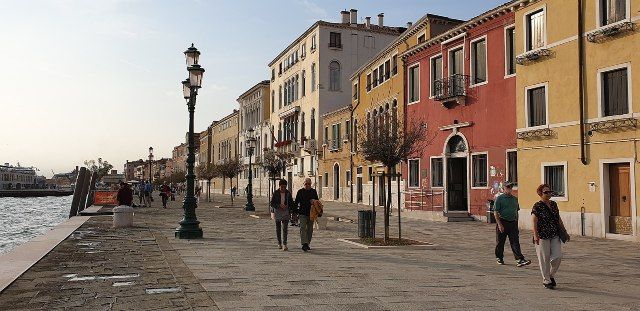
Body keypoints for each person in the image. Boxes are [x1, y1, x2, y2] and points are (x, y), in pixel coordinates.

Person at [532, 184, 570, 290]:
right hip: (542, 236)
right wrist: (535, 235)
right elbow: (534, 220)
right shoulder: (537, 206)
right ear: (540, 194)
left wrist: (564, 231)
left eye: (550, 191)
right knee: (544, 259)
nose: (549, 194)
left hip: (554, 234)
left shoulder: (553, 204)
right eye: (546, 192)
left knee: (557, 257)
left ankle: (551, 275)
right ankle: (546, 280)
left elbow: (558, 218)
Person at [494, 181, 531, 267]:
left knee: (515, 242)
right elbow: (495, 212)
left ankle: (519, 259)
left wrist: (516, 223)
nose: (509, 189)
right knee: (500, 242)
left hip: (513, 223)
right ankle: (499, 257)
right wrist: (499, 224)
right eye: (507, 188)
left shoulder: (515, 199)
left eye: (510, 187)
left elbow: (516, 211)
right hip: (502, 221)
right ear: (503, 189)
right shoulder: (499, 199)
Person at [295, 178, 319, 252]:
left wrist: (314, 201)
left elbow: (317, 201)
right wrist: (295, 213)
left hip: (311, 213)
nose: (307, 185)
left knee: (310, 229)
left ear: (311, 184)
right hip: (302, 213)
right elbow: (296, 202)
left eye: (309, 184)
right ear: (303, 184)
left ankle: (307, 243)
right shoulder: (300, 192)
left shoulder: (313, 191)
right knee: (302, 227)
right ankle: (304, 243)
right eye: (306, 184)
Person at [270, 179, 294, 251]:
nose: (283, 189)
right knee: (278, 228)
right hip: (278, 211)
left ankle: (284, 244)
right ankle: (279, 242)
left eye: (284, 187)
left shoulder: (288, 193)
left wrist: (290, 208)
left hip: (286, 212)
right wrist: (279, 205)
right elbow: (272, 203)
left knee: (285, 228)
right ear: (279, 186)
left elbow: (291, 202)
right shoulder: (276, 193)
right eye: (282, 187)